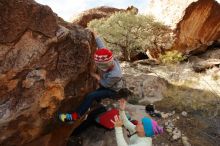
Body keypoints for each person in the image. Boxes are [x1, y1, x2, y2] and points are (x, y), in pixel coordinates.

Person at [59, 35, 124, 123]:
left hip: (113, 90)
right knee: (96, 93)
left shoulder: (115, 74)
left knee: (91, 95)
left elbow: (105, 85)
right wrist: (94, 34)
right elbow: (102, 46)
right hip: (109, 84)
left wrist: (96, 76)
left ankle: (75, 117)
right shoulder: (106, 55)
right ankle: (95, 103)